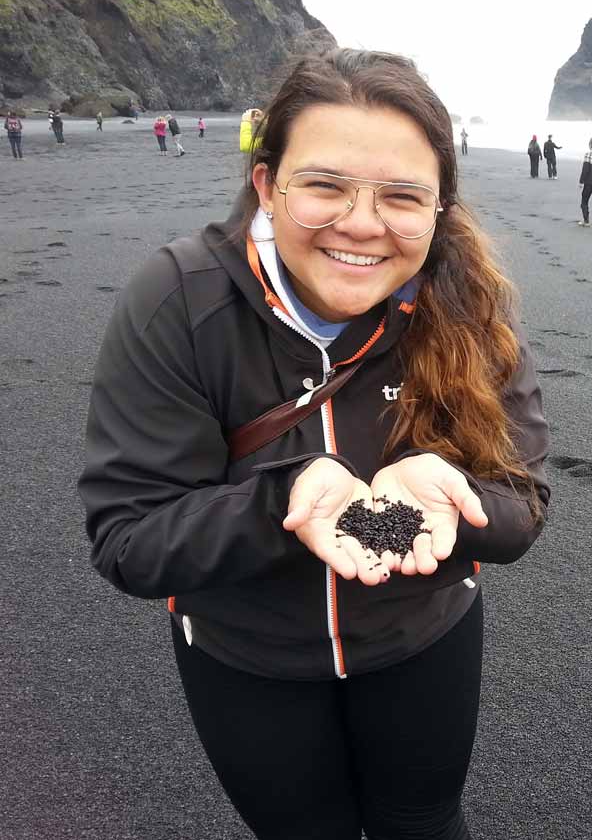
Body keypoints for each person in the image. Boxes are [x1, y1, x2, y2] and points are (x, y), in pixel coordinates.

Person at [79, 47, 550, 840]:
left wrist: (456, 502)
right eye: (326, 186)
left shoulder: (467, 307)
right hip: (245, 655)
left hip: (421, 636)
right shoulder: (179, 300)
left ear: (439, 208)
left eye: (402, 197)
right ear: (268, 184)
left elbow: (523, 505)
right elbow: (129, 540)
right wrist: (278, 504)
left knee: (424, 821)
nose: (362, 224)